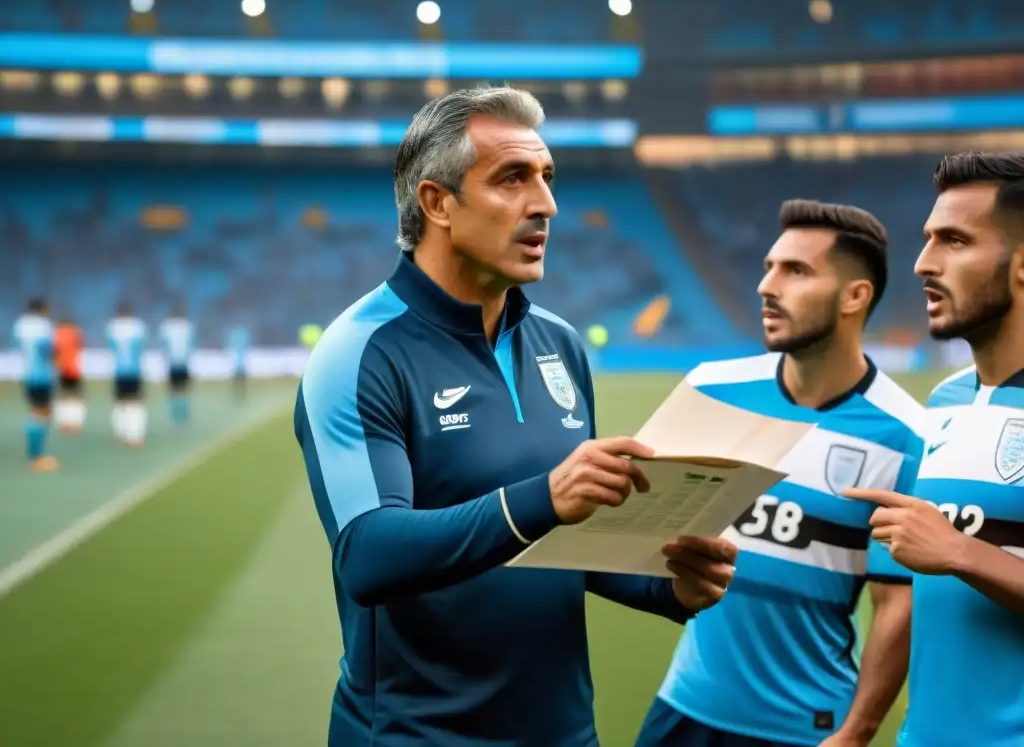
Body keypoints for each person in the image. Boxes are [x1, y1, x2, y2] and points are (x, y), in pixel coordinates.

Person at [293, 86, 738, 747]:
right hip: (416, 736)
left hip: (563, 732)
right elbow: (369, 554)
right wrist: (546, 497)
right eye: (513, 179)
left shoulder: (560, 345)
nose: (546, 205)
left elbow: (558, 546)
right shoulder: (360, 353)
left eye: (548, 178)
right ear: (438, 202)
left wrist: (668, 587)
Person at [637, 200, 927, 747]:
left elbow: (897, 603)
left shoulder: (906, 435)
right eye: (770, 267)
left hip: (807, 728)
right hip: (683, 708)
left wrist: (858, 731)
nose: (767, 286)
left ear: (855, 296)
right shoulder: (711, 390)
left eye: (796, 271)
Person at [847, 151, 1024, 747]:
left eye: (954, 240)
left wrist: (958, 551)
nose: (923, 264)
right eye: (927, 240)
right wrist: (857, 729)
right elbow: (927, 593)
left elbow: (947, 556)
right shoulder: (947, 399)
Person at [12, 298, 58, 471]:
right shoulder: (44, 326)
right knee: (42, 413)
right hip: (42, 375)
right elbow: (49, 350)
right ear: (42, 309)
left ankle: (35, 455)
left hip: (27, 373)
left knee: (35, 412)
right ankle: (36, 456)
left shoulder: (20, 325)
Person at [107, 302, 148, 446]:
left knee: (120, 402)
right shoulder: (137, 326)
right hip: (134, 371)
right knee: (135, 403)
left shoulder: (112, 327)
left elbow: (111, 347)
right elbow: (142, 347)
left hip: (119, 371)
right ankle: (135, 435)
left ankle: (121, 433)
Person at [159, 305, 194, 424]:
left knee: (173, 390)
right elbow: (191, 345)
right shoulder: (187, 326)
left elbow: (164, 346)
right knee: (183, 390)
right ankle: (184, 414)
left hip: (172, 363)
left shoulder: (167, 327)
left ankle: (174, 414)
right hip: (183, 363)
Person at [53, 315, 86, 433]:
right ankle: (75, 422)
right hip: (73, 368)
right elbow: (80, 345)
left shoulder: (56, 333)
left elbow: (54, 351)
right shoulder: (75, 332)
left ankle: (65, 422)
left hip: (62, 368)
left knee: (64, 395)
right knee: (76, 396)